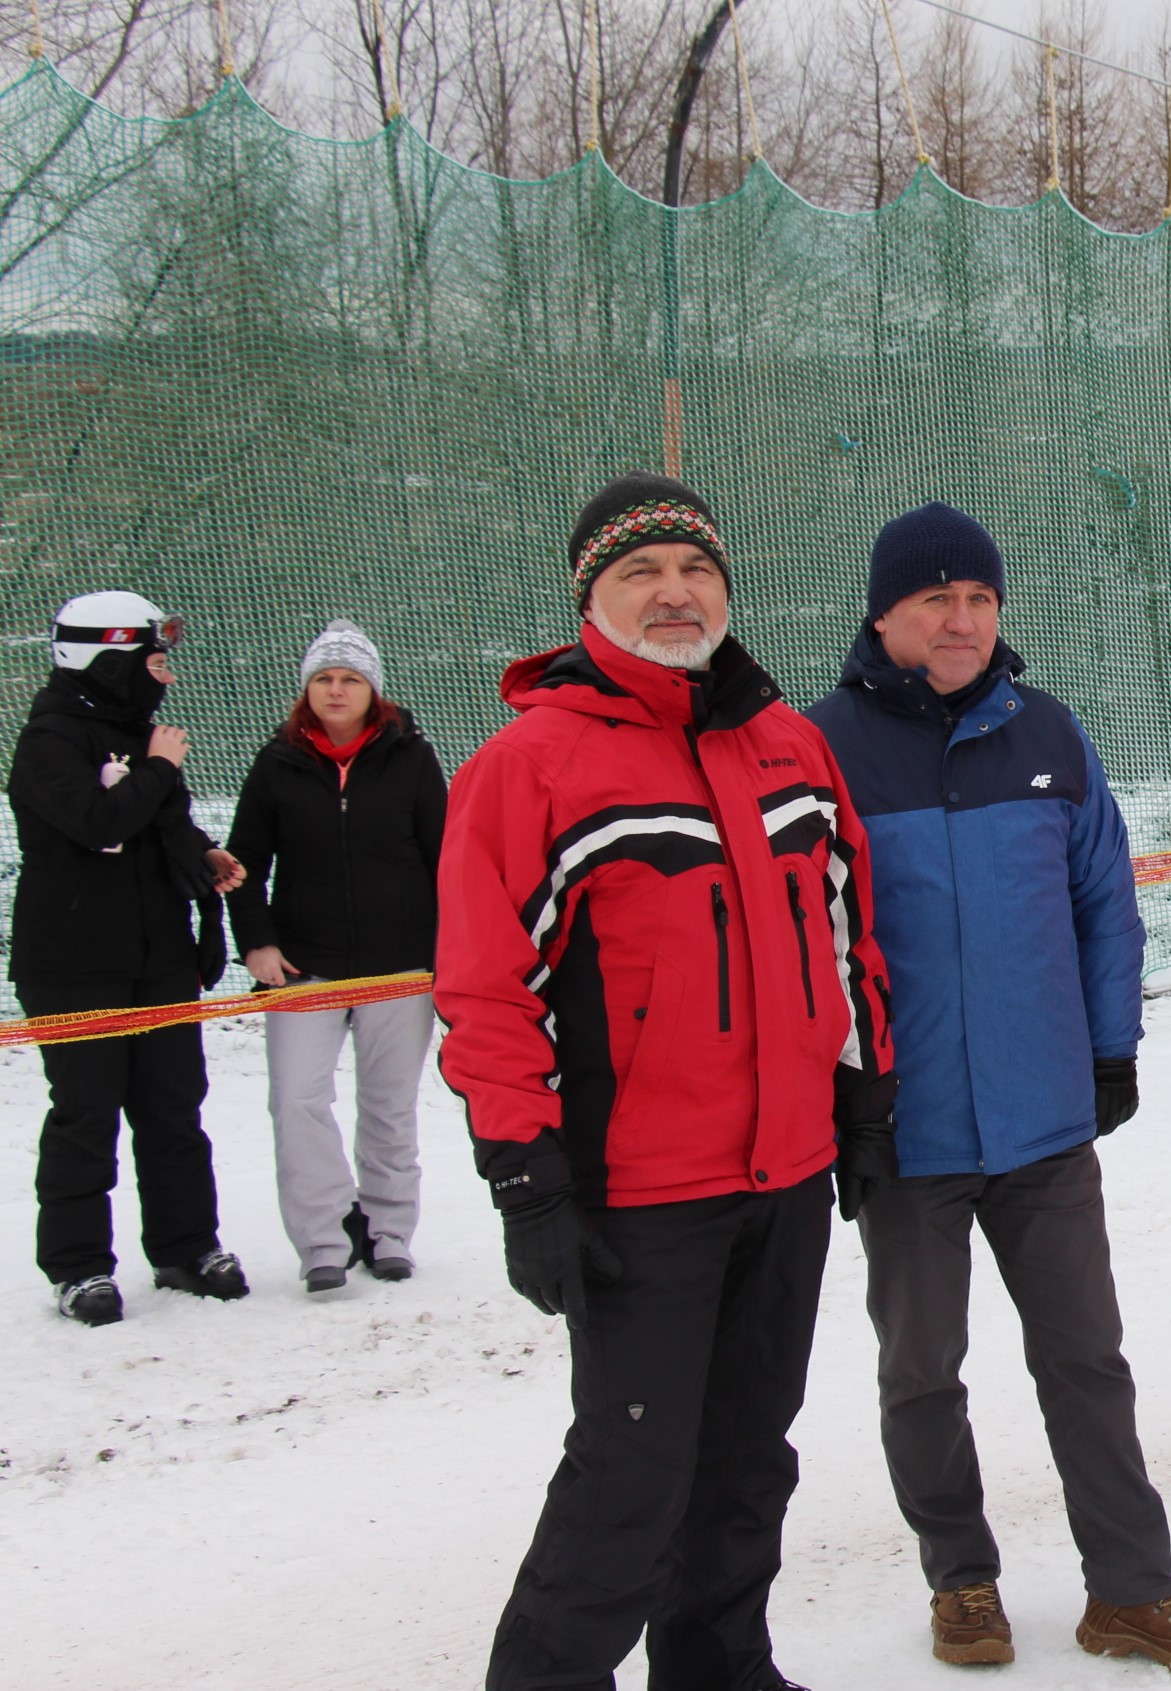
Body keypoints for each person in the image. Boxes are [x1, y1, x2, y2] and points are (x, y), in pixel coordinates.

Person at [435, 473, 897, 1691]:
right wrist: (526, 1177)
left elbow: (851, 933)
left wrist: (864, 1106)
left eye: (695, 569)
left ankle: (719, 1667)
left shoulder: (786, 743)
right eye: (640, 572)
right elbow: (488, 991)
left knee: (750, 1459)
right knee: (631, 1476)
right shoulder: (529, 766)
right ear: (590, 597)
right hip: (641, 1191)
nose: (674, 591)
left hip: (788, 1173)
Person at [808, 502, 1171, 1679]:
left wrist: (1110, 1051)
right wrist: (834, 1095)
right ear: (883, 610)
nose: (961, 620)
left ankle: (1132, 1589)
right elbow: (802, 938)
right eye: (935, 599)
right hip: (905, 1132)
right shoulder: (824, 747)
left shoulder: (1049, 732)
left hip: (1044, 1121)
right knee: (921, 1366)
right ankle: (961, 1577)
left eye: (980, 599)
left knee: (1087, 1360)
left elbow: (1106, 902)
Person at [10, 592, 247, 1326]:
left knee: (173, 1109)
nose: (165, 677)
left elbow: (156, 822)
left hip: (157, 961)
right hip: (75, 966)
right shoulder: (49, 738)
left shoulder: (135, 733)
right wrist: (156, 768)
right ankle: (79, 1266)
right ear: (106, 661)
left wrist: (202, 857)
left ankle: (185, 1246)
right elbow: (95, 820)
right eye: (152, 661)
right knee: (85, 1115)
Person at [225, 621, 447, 1294]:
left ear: (373, 689)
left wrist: (450, 948)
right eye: (323, 677)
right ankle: (324, 1238)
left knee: (389, 1105)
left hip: (399, 964)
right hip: (304, 965)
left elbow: (447, 859)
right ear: (306, 690)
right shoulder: (276, 762)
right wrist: (258, 942)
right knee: (296, 1101)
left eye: (349, 677)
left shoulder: (411, 757)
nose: (336, 688)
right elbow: (241, 864)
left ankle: (387, 1233)